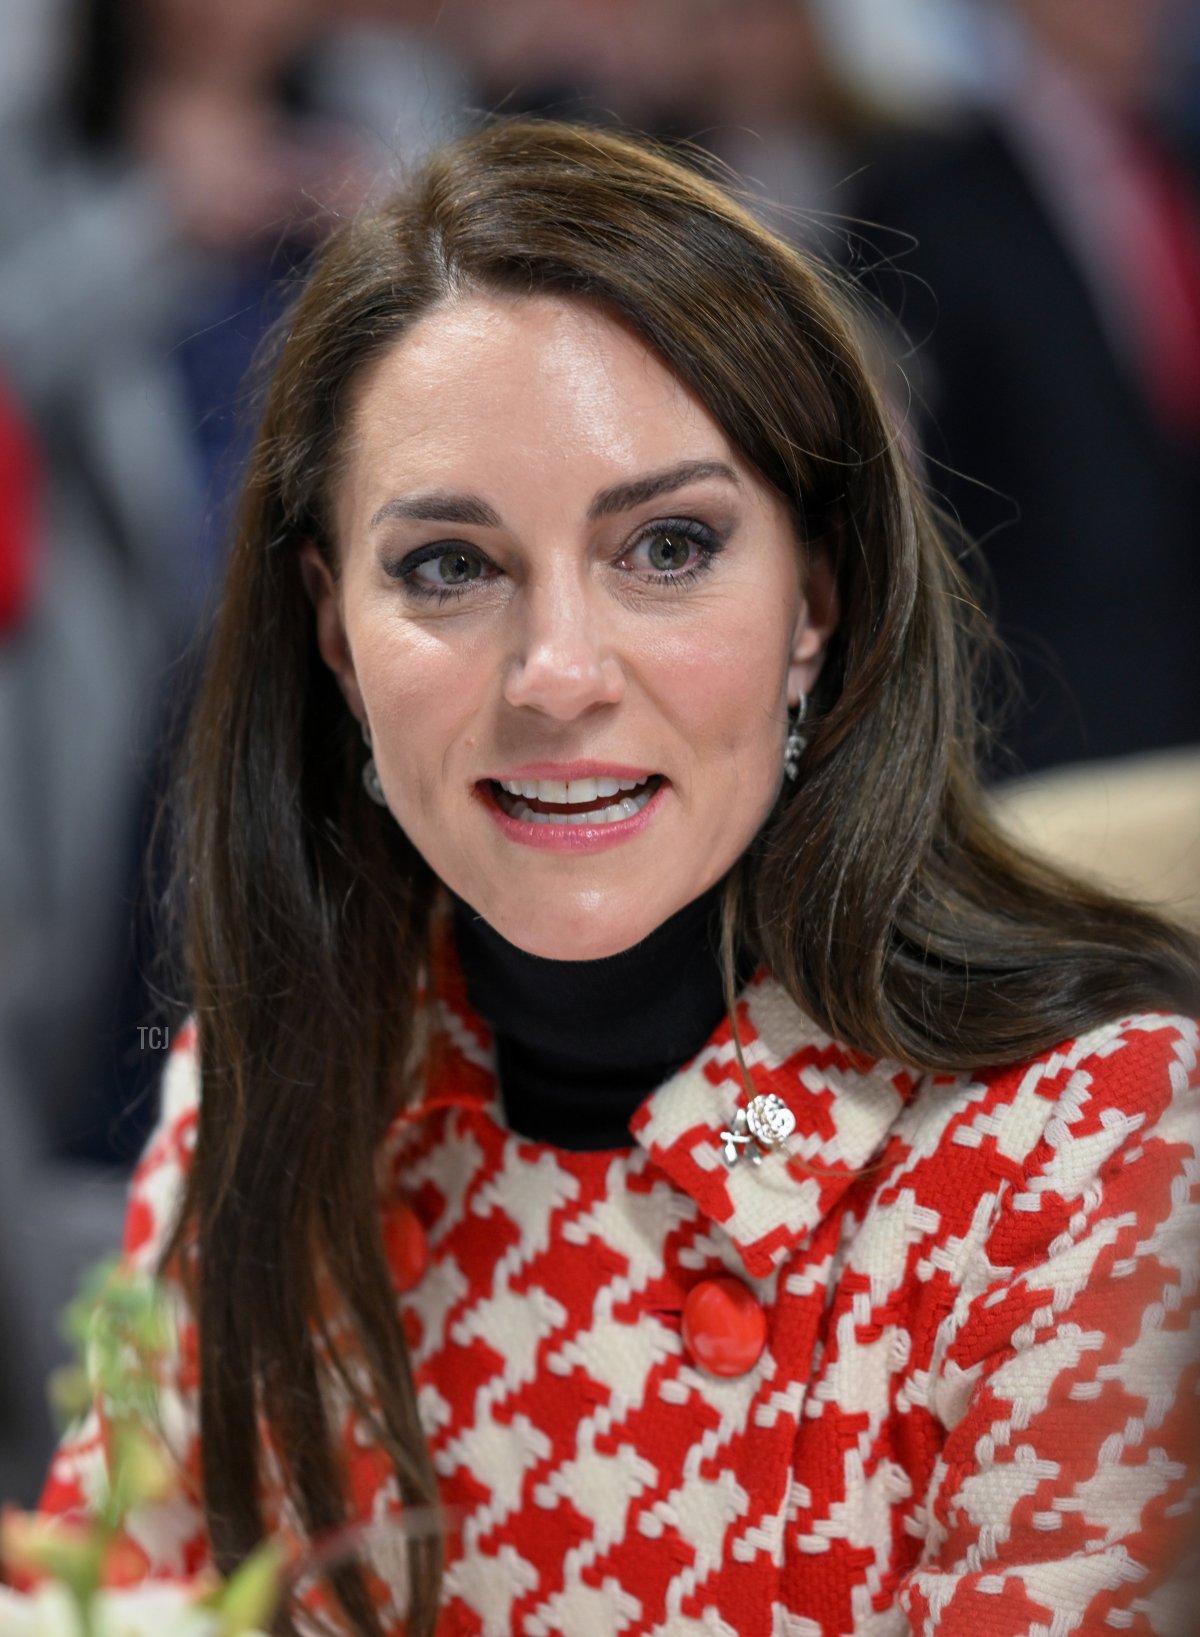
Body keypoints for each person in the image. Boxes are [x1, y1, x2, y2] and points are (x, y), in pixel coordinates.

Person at [24, 119, 1200, 1637]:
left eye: (667, 546)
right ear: (333, 631)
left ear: (816, 602)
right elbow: (110, 1593)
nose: (557, 675)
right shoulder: (260, 1090)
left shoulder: (1099, 1154)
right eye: (451, 565)